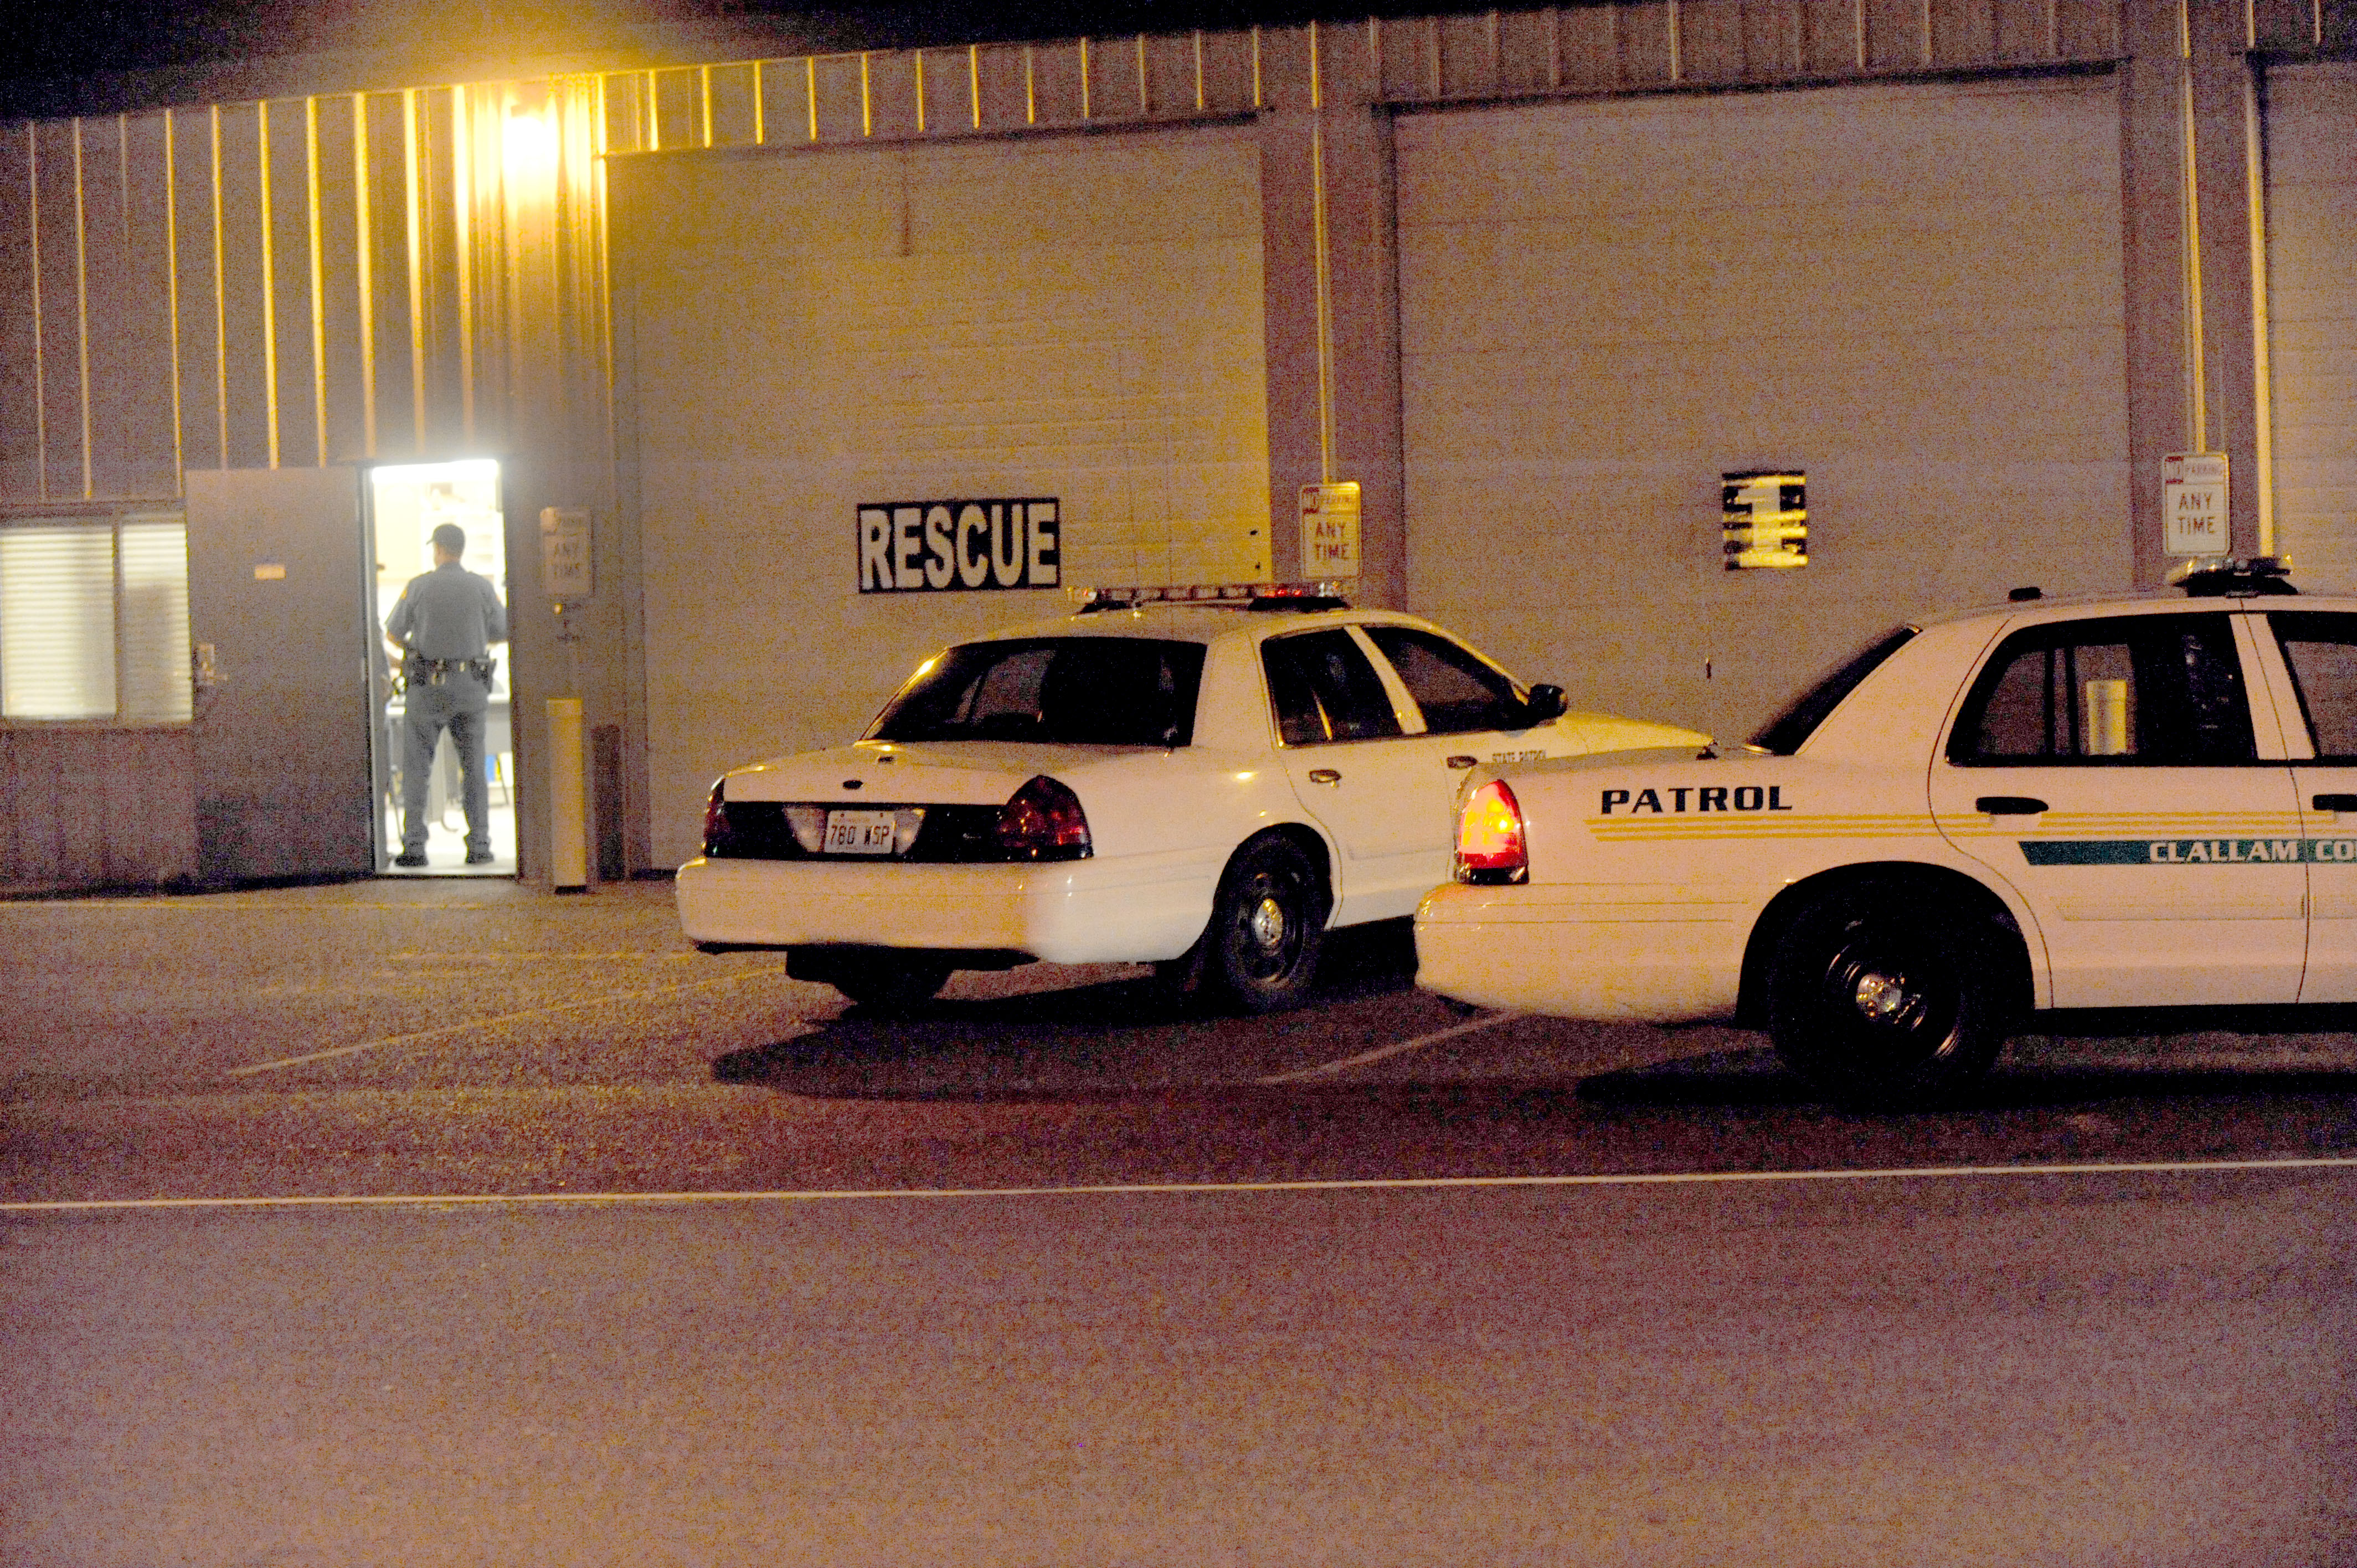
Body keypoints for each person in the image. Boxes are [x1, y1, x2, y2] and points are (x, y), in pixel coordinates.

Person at [384, 522, 508, 866]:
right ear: (461, 550)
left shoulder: (419, 586)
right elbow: (503, 629)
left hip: (426, 687)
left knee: (417, 769)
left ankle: (414, 847)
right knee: (473, 768)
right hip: (470, 687)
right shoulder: (482, 587)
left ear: (438, 549)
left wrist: (418, 648)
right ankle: (480, 845)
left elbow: (394, 633)